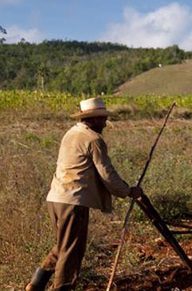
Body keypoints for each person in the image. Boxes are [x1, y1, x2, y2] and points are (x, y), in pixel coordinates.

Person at [26, 97, 143, 291]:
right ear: (94, 119)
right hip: (73, 201)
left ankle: (36, 284)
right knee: (72, 250)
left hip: (55, 198)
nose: (105, 122)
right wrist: (128, 191)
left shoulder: (71, 133)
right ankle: (61, 288)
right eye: (102, 118)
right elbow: (107, 175)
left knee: (63, 244)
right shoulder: (94, 139)